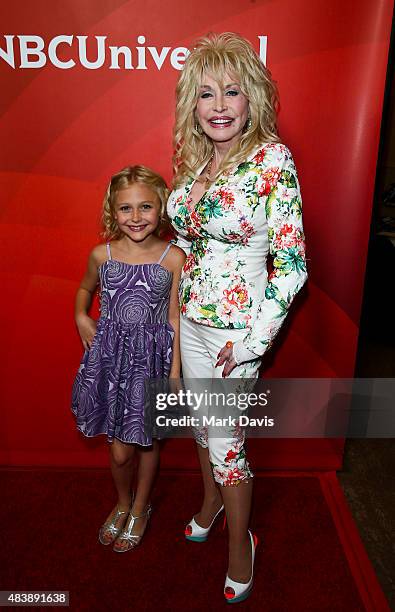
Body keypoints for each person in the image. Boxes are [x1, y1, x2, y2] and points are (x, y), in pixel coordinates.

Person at [167, 33, 308, 602]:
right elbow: (186, 249)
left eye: (231, 92)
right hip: (192, 326)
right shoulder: (197, 158)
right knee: (202, 429)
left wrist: (253, 340)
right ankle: (208, 507)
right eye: (206, 94)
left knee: (226, 444)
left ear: (251, 98)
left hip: (235, 336)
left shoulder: (271, 159)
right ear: (192, 105)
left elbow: (292, 265)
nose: (219, 105)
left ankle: (239, 545)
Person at [72, 165, 185, 552]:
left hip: (151, 363)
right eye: (126, 209)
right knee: (118, 448)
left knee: (147, 442)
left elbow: (174, 318)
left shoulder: (174, 258)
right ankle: (122, 502)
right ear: (112, 211)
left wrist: (174, 373)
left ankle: (140, 507)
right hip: (110, 361)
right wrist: (81, 316)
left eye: (146, 207)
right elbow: (85, 289)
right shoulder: (101, 254)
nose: (136, 218)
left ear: (162, 209)